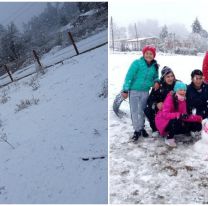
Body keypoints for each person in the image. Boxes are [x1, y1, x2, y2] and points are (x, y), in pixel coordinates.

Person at [121, 45, 159, 142]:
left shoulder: (155, 66)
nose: (149, 55)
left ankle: (142, 128)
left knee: (142, 110)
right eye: (147, 53)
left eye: (151, 54)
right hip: (134, 90)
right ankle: (136, 130)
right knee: (134, 111)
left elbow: (155, 77)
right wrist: (125, 90)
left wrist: (156, 82)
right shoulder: (137, 63)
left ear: (154, 55)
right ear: (143, 54)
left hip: (145, 91)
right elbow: (129, 76)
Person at [155, 81, 202, 148]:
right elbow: (165, 114)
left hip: (175, 120)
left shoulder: (183, 100)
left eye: (184, 90)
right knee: (177, 120)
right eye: (180, 90)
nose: (183, 92)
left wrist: (198, 118)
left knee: (196, 124)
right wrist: (179, 115)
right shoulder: (170, 98)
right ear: (176, 90)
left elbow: (184, 116)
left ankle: (191, 131)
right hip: (163, 122)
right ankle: (169, 137)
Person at [144, 66, 176, 138]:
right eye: (168, 76)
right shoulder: (158, 86)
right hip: (160, 110)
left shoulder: (177, 84)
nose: (170, 78)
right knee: (147, 110)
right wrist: (156, 104)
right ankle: (155, 128)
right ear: (163, 78)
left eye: (172, 76)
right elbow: (150, 100)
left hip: (172, 109)